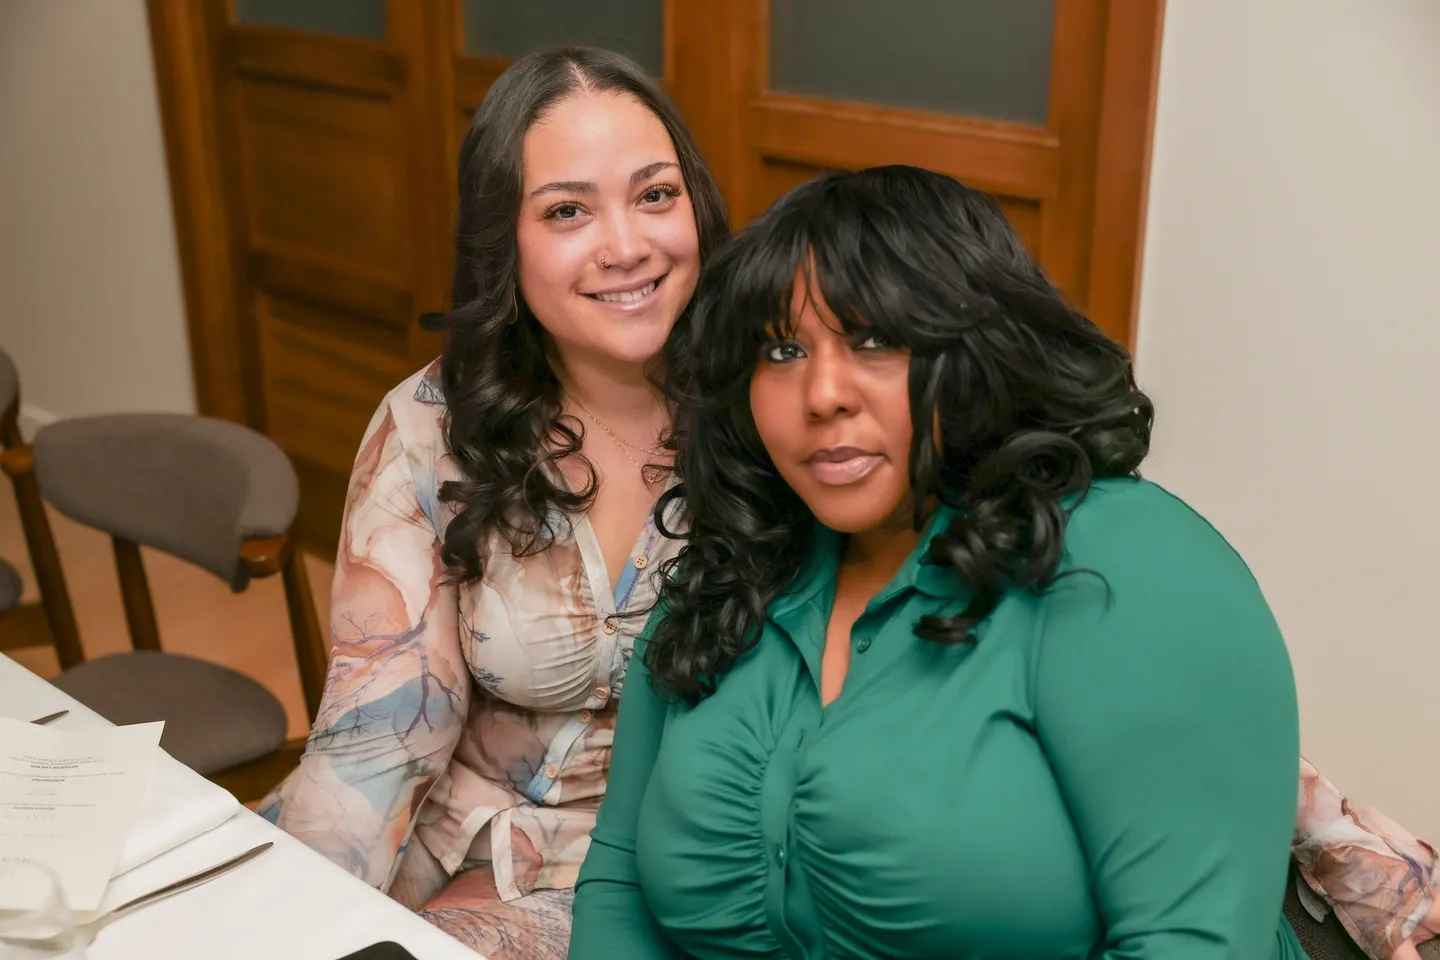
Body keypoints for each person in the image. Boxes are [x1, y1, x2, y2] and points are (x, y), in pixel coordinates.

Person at [568, 165, 1439, 960]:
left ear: (974, 348)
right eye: (782, 351)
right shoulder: (728, 573)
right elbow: (619, 887)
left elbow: (1191, 944)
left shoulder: (1124, 564)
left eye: (873, 341)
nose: (822, 394)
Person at [256, 46, 727, 959]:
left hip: (652, 871)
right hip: (441, 823)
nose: (627, 244)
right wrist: (293, 923)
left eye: (656, 195)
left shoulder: (778, 413)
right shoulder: (432, 429)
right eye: (566, 211)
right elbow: (379, 739)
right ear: (501, 240)